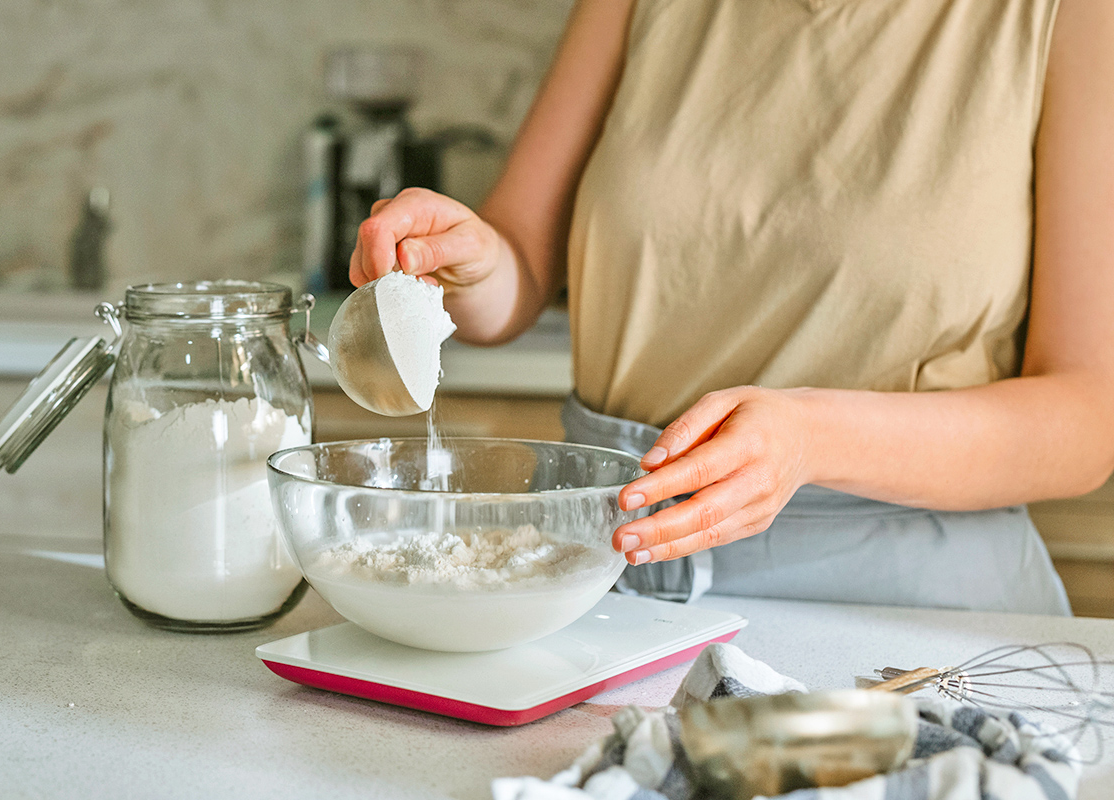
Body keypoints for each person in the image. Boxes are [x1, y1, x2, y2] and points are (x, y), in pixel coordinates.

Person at [348, 0, 1114, 615]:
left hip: (904, 612)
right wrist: (471, 268)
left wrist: (811, 439)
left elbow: (1088, 416)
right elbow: (517, 262)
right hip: (606, 581)